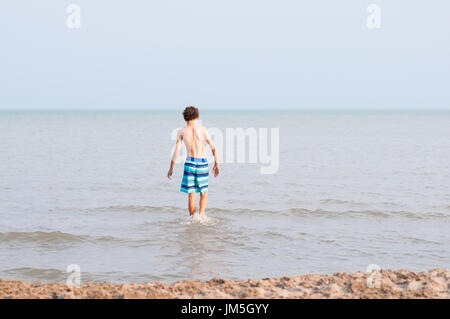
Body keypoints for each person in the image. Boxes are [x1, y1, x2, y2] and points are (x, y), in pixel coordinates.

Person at [167, 106, 220, 219]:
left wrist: (171, 168)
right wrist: (217, 163)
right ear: (197, 116)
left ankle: (192, 219)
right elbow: (213, 148)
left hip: (189, 163)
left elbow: (176, 151)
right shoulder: (203, 129)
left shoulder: (181, 131)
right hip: (202, 163)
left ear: (185, 118)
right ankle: (201, 217)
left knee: (191, 194)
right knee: (204, 192)